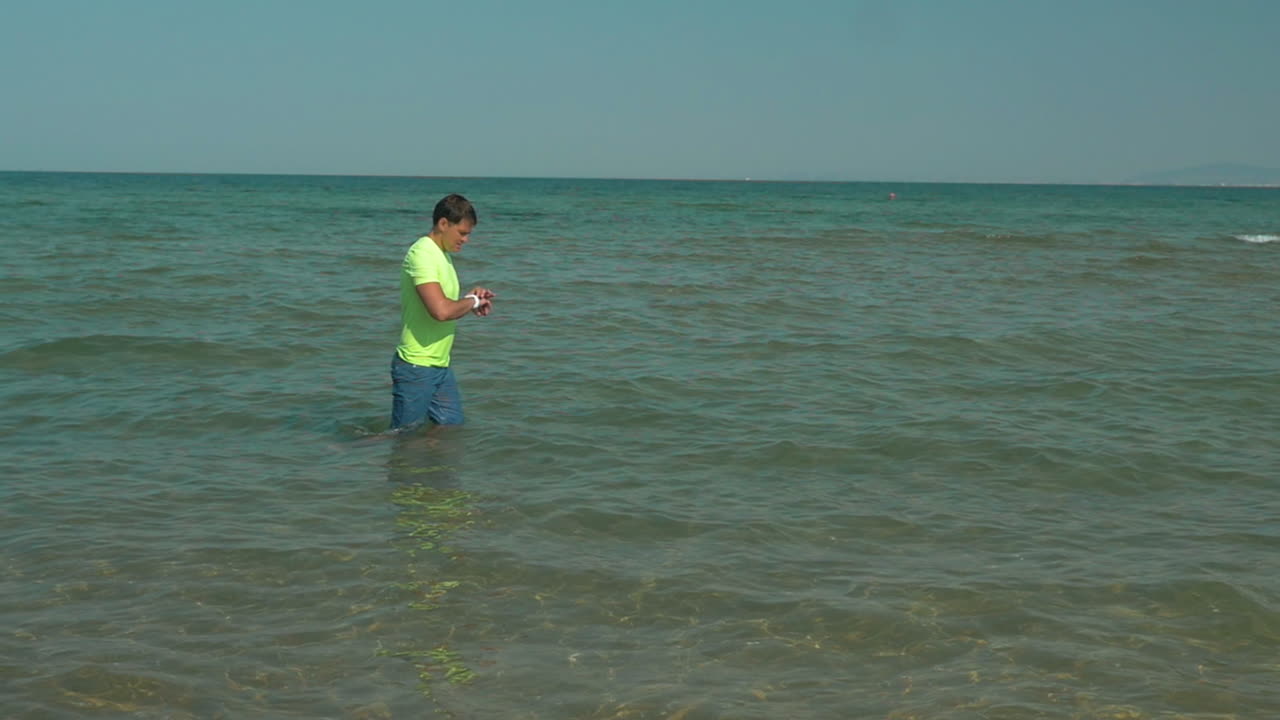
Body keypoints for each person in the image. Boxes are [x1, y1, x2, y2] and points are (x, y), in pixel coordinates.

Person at [390, 193, 495, 430]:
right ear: (443, 223)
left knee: (450, 431)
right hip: (417, 366)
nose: (466, 240)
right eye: (462, 233)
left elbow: (448, 304)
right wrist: (472, 302)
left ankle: (435, 467)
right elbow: (440, 311)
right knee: (402, 439)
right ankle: (346, 452)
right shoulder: (422, 254)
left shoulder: (442, 255)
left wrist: (472, 299)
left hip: (440, 366)